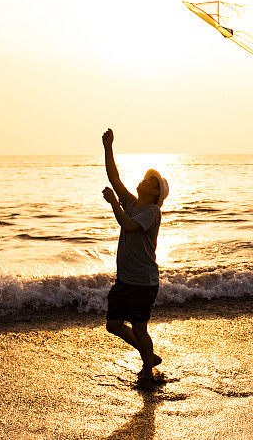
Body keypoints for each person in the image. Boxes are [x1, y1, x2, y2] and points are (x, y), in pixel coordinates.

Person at [101, 128, 169, 384]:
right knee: (113, 324)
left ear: (155, 193)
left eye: (150, 182)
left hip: (144, 281)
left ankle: (148, 370)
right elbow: (114, 176)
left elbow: (129, 226)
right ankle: (148, 356)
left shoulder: (152, 211)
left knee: (140, 328)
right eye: (145, 178)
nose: (143, 181)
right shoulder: (131, 202)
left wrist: (113, 204)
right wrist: (108, 147)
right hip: (126, 278)